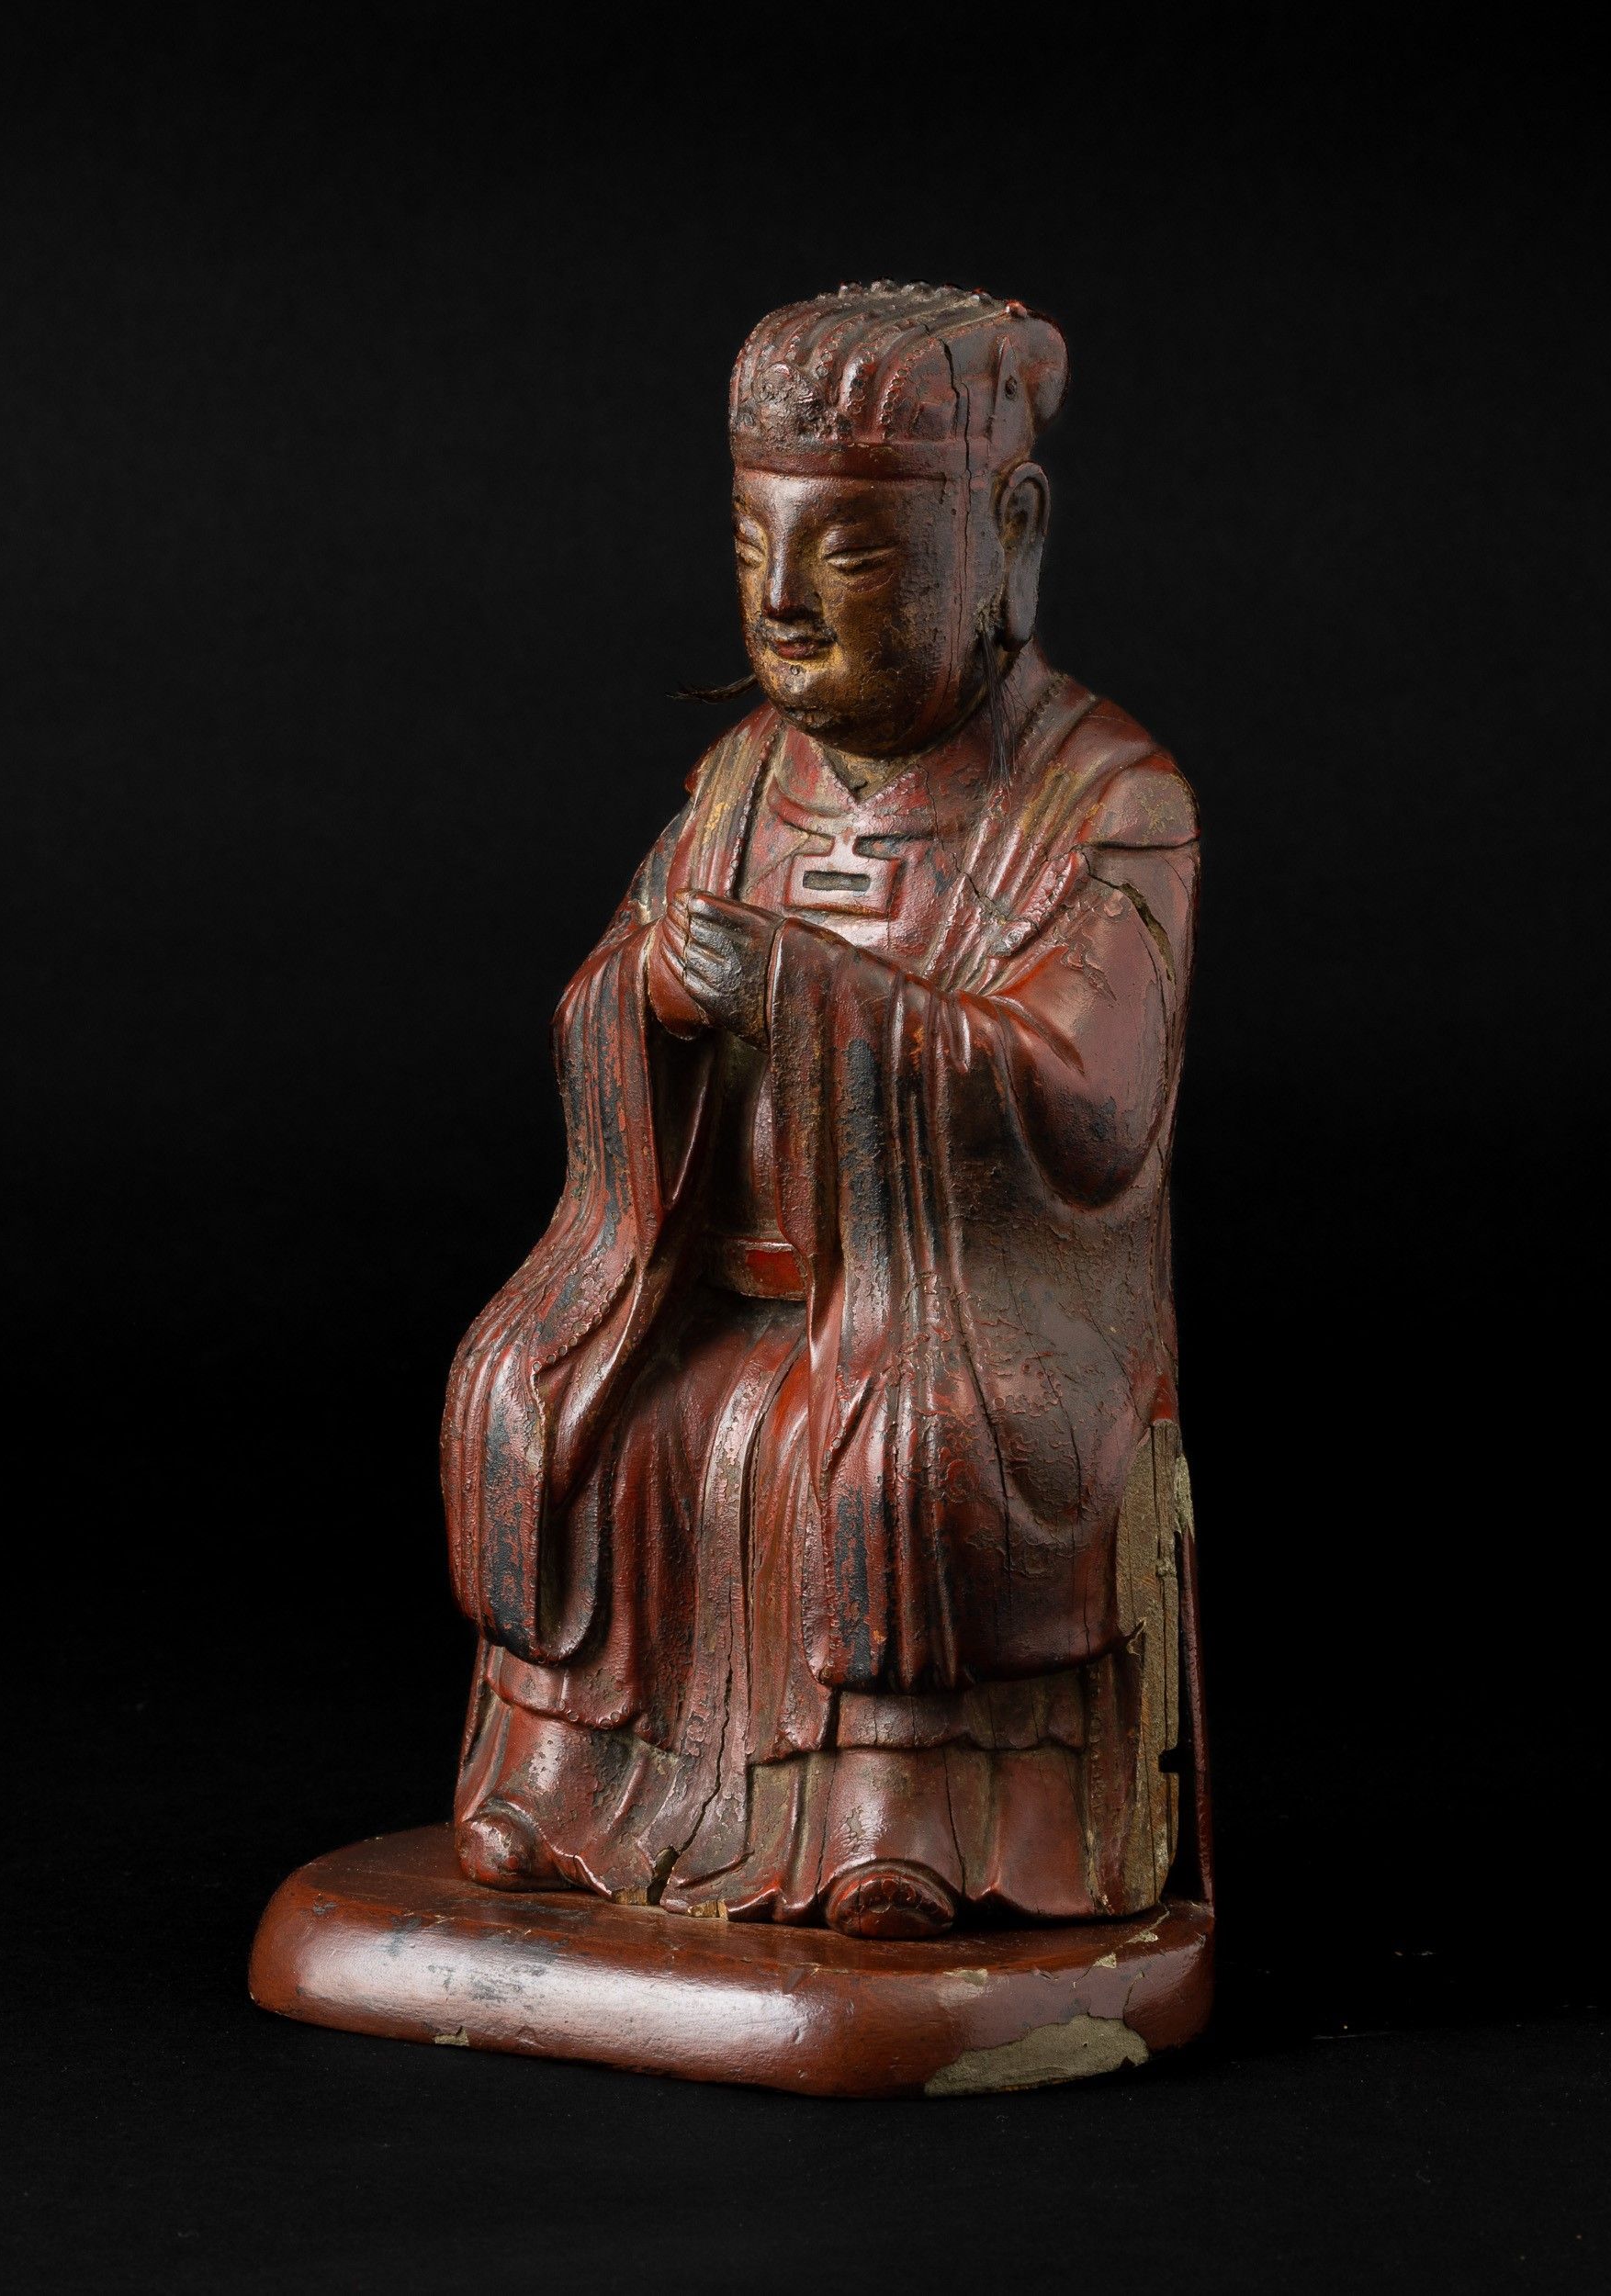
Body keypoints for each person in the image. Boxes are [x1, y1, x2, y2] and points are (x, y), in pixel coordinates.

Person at [441, 283, 1200, 1939]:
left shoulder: (1103, 801)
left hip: (964, 1307)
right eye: (751, 548)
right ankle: (572, 1784)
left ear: (1006, 534)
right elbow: (605, 997)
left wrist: (825, 1000)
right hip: (725, 1281)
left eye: (852, 556)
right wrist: (651, 999)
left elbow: (1094, 1100)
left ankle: (899, 1814)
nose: (783, 603)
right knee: (550, 1397)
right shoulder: (736, 787)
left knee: (885, 1448)